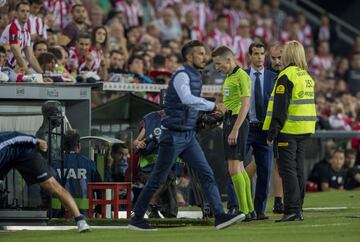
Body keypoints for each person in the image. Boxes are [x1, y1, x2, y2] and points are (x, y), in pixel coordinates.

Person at [129, 40, 245, 231]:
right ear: (189, 56)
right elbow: (187, 99)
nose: (205, 57)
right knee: (158, 178)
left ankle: (219, 216)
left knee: (206, 172)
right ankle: (137, 218)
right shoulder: (182, 74)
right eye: (200, 54)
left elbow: (189, 105)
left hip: (187, 135)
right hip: (173, 135)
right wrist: (214, 106)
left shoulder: (196, 75)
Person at [263, 40, 317, 222]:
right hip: (305, 129)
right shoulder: (306, 76)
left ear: (289, 55)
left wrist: (272, 132)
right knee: (298, 169)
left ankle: (292, 209)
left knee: (287, 170)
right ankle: (298, 207)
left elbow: (280, 108)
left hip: (289, 129)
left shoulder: (286, 76)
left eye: (284, 52)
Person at [0, 131, 90, 232]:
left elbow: (16, 137)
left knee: (51, 186)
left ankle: (80, 220)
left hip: (25, 152)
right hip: (7, 159)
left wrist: (35, 141)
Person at [211, 46, 255, 221]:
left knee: (234, 167)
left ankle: (243, 210)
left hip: (237, 122)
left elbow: (246, 105)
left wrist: (235, 129)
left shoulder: (242, 76)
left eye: (218, 63)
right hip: (230, 121)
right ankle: (249, 209)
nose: (216, 67)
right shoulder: (230, 77)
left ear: (228, 60)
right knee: (239, 167)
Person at [245, 42, 277, 220]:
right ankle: (237, 208)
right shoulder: (241, 75)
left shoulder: (273, 77)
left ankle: (259, 210)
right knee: (237, 169)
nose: (259, 57)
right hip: (246, 128)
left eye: (261, 53)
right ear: (250, 56)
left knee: (265, 171)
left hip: (265, 130)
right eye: (255, 53)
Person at [51, 129, 102, 216]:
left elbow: (45, 188)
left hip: (58, 215)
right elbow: (100, 189)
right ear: (78, 145)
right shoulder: (90, 164)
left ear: (62, 146)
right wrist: (99, 210)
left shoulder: (53, 164)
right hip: (84, 214)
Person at [0, 1, 42, 74]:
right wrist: (29, 75)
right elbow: (18, 55)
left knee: (35, 74)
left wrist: (42, 75)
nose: (25, 14)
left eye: (27, 11)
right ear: (16, 13)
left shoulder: (26, 32)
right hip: (3, 67)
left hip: (11, 67)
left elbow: (31, 57)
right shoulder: (13, 28)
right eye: (22, 11)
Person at [269, 43, 284, 213]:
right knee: (261, 162)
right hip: (268, 124)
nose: (277, 61)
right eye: (273, 58)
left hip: (279, 124)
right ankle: (233, 190)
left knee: (278, 163)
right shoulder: (268, 75)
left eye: (279, 58)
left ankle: (279, 201)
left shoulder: (285, 75)